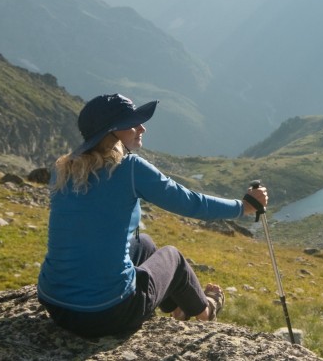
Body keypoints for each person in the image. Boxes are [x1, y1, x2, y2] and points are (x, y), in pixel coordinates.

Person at [37, 93, 268, 337]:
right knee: (173, 257)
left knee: (143, 243)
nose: (142, 128)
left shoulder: (63, 168)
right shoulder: (130, 168)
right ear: (112, 131)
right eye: (132, 123)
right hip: (107, 312)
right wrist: (243, 207)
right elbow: (190, 203)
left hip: (55, 304)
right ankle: (205, 310)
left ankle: (177, 305)